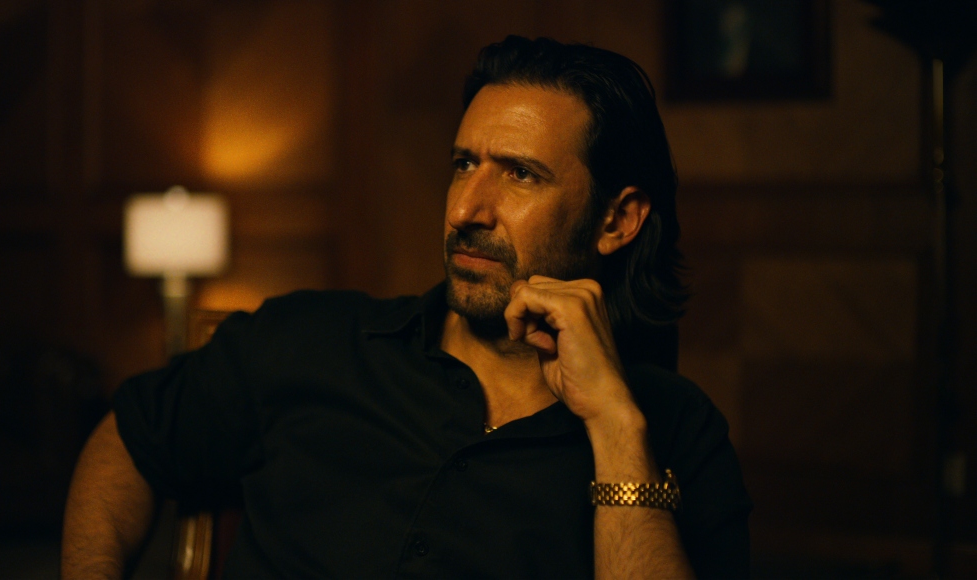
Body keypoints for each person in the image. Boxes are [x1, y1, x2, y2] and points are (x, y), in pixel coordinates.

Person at [62, 36, 751, 579]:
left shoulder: (672, 428)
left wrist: (615, 426)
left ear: (617, 221)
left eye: (520, 174)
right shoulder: (311, 341)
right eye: (464, 164)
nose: (467, 210)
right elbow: (128, 438)